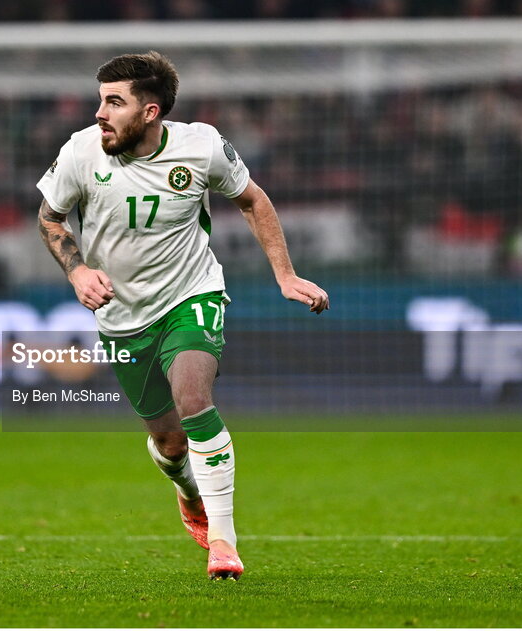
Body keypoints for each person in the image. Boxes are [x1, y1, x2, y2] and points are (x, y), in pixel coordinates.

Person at [36, 51, 329, 580]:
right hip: (122, 318)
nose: (99, 112)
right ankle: (188, 491)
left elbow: (253, 201)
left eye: (113, 102)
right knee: (170, 443)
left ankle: (224, 541)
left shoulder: (202, 147)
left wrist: (285, 275)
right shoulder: (81, 152)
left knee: (195, 399)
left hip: (191, 295)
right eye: (100, 99)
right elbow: (51, 217)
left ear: (150, 112)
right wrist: (78, 271)